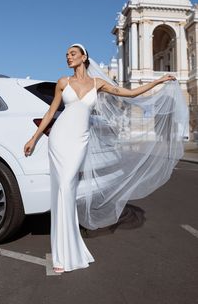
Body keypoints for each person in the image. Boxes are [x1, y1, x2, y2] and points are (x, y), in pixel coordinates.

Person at [23, 43, 178, 273]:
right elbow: (50, 112)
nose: (68, 57)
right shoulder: (63, 82)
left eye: (73, 54)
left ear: (84, 57)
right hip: (59, 139)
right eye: (66, 54)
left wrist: (158, 81)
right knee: (63, 189)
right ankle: (61, 254)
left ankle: (69, 250)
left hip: (79, 141)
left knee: (68, 187)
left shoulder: (98, 84)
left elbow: (131, 94)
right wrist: (34, 138)